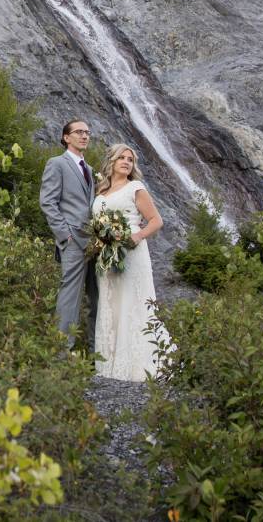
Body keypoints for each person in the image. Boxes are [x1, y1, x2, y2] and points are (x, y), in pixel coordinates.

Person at [91, 143, 168, 380]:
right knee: (110, 304)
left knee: (132, 303)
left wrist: (138, 235)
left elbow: (156, 220)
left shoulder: (136, 187)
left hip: (131, 253)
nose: (126, 162)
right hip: (106, 255)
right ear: (111, 162)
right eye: (121, 158)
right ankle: (109, 365)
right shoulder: (101, 192)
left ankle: (137, 365)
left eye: (130, 159)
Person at [39, 119, 98, 349]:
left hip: (95, 242)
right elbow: (47, 202)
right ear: (66, 137)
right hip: (73, 240)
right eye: (79, 132)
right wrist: (65, 235)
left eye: (87, 132)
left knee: (97, 298)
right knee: (69, 298)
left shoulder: (90, 169)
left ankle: (95, 354)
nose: (84, 136)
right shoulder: (56, 163)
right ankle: (61, 355)